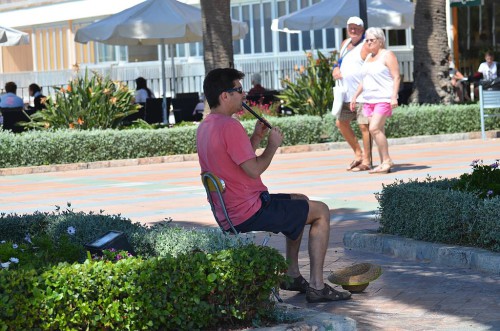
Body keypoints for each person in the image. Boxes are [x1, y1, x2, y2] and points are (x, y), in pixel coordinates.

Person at [197, 68, 351, 303]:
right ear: (224, 96)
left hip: (231, 211)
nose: (243, 95)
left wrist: (256, 139)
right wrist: (272, 145)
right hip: (250, 211)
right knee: (321, 211)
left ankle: (291, 274)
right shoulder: (230, 126)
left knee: (300, 200)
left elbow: (236, 162)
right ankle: (318, 287)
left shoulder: (206, 126)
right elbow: (255, 169)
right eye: (238, 90)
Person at [350, 27, 400, 174]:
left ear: (380, 41)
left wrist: (394, 96)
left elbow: (396, 76)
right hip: (369, 99)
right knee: (378, 131)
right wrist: (355, 96)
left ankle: (387, 160)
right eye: (367, 40)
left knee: (374, 128)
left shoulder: (387, 55)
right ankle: (382, 163)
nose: (369, 43)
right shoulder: (368, 57)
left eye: (372, 40)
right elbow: (363, 80)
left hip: (383, 98)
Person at [332, 16, 372, 172]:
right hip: (345, 94)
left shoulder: (366, 45)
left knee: (364, 126)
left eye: (356, 27)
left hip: (362, 93)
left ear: (362, 29)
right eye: (350, 27)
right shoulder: (345, 43)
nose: (353, 30)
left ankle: (367, 161)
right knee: (341, 123)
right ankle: (358, 153)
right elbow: (339, 62)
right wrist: (335, 69)